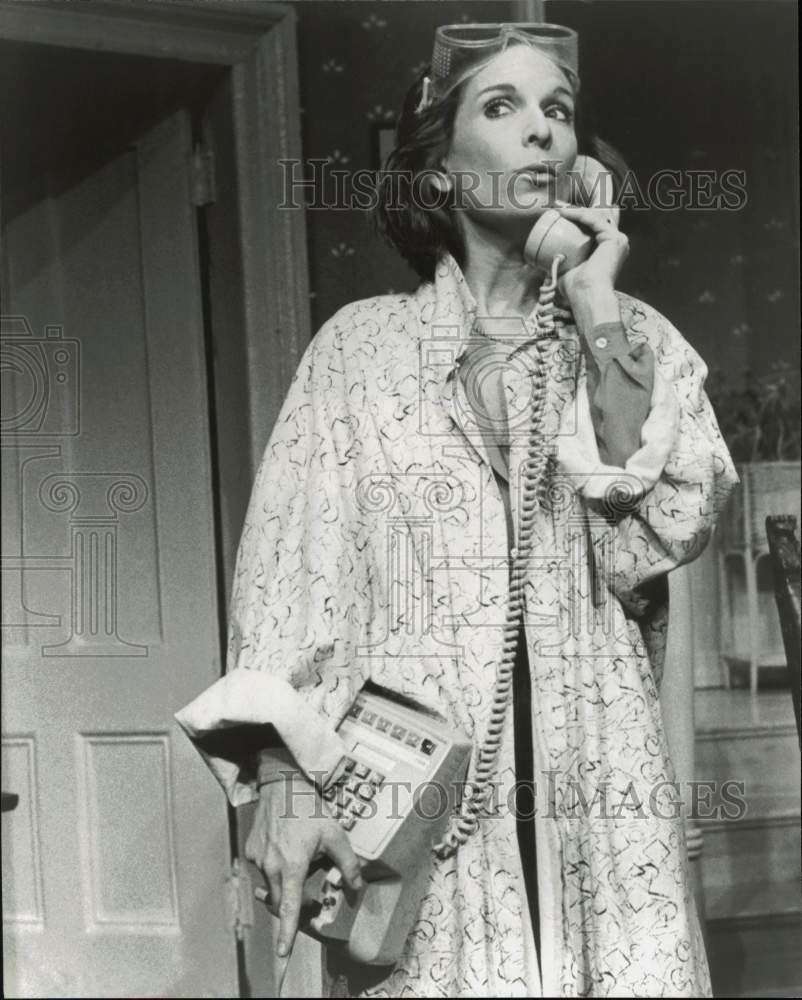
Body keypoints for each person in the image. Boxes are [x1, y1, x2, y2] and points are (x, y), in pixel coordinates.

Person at [177, 22, 738, 998]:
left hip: (594, 778)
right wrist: (282, 780)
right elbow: (289, 573)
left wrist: (600, 308)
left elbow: (664, 529)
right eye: (502, 106)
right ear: (436, 171)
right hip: (413, 793)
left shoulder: (634, 340)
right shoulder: (359, 350)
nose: (540, 133)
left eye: (556, 112)